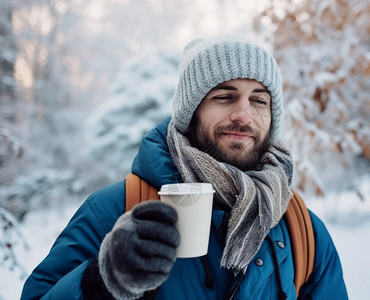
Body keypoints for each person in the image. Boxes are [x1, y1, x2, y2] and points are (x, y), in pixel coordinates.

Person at [21, 36, 348, 299]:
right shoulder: (115, 210)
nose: (244, 115)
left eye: (259, 100)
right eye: (225, 97)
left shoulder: (300, 228)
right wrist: (101, 281)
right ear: (190, 113)